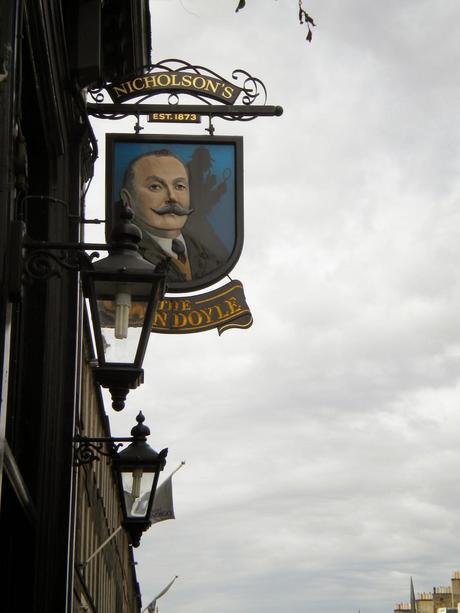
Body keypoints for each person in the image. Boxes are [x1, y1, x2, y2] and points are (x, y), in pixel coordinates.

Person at [120, 149, 226, 283]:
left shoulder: (210, 257)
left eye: (179, 186)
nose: (172, 197)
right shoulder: (127, 258)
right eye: (155, 187)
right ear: (127, 200)